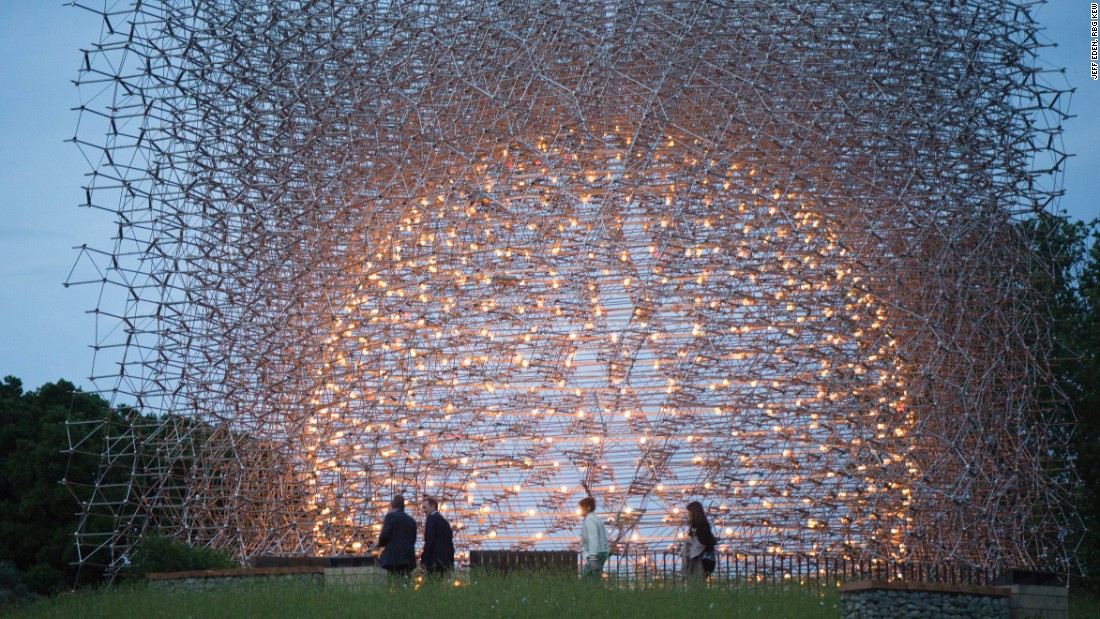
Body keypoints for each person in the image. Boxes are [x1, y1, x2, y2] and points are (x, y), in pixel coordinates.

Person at [372, 494, 418, 577]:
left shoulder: (391, 516)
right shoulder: (412, 521)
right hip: (408, 558)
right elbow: (413, 540)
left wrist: (380, 544)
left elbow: (385, 535)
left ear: (392, 505)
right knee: (405, 584)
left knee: (391, 584)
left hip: (392, 558)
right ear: (403, 506)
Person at [683, 500, 717, 581]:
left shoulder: (701, 525)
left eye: (689, 512)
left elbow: (702, 541)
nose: (688, 514)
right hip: (702, 557)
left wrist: (690, 542)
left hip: (701, 558)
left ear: (694, 512)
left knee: (697, 580)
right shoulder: (698, 524)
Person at [419, 497, 455, 575]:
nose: (423, 511)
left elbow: (429, 540)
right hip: (445, 560)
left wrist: (424, 558)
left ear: (433, 506)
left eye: (425, 507)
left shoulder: (431, 519)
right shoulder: (444, 522)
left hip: (434, 559)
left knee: (431, 583)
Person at [578, 496, 609, 580]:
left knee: (588, 579)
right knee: (594, 578)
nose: (579, 509)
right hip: (601, 552)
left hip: (596, 554)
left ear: (588, 508)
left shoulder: (589, 520)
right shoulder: (596, 519)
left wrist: (593, 558)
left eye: (581, 507)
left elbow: (593, 539)